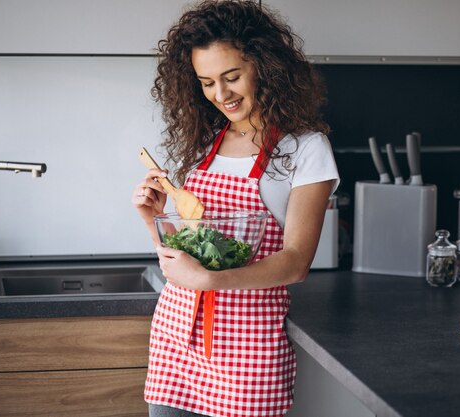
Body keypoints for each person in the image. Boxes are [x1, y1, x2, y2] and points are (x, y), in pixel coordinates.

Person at [131, 1, 339, 416]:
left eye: (232, 77)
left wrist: (210, 280)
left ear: (264, 66)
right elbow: (190, 248)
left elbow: (297, 263)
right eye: (207, 82)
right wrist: (154, 220)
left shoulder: (305, 149)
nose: (220, 94)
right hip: (177, 337)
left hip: (247, 346)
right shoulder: (203, 142)